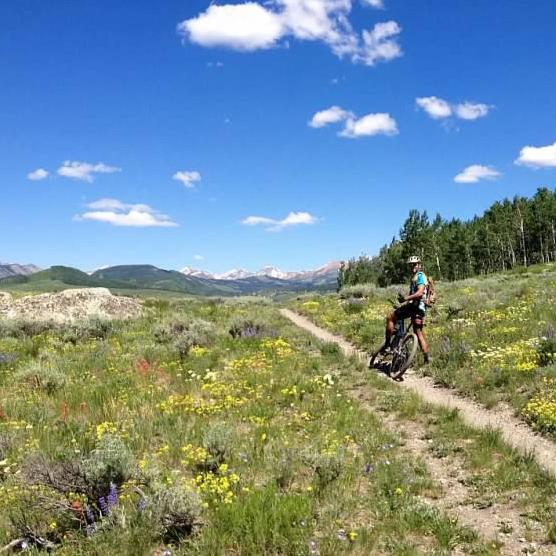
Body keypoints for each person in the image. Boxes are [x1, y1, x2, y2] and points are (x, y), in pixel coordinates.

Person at [383, 255, 430, 364]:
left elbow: (419, 293)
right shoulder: (417, 277)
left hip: (415, 307)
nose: (413, 266)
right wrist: (406, 300)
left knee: (391, 317)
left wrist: (405, 298)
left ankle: (387, 345)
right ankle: (427, 360)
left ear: (419, 265)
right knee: (418, 333)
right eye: (411, 265)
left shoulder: (419, 276)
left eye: (415, 264)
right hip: (420, 309)